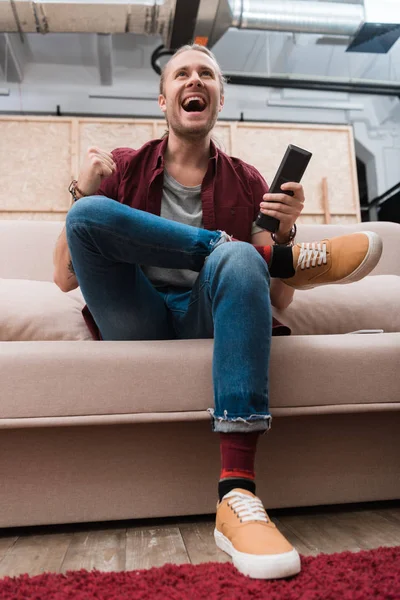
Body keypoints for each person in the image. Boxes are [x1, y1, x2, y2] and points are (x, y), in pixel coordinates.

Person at [53, 43, 382, 580]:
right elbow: (66, 277)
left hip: (206, 313)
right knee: (89, 215)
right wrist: (79, 189)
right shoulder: (125, 168)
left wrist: (284, 230)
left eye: (206, 73)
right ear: (164, 100)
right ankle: (255, 252)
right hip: (135, 315)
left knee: (237, 258)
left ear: (219, 98)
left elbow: (277, 300)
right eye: (181, 73)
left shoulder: (249, 182)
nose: (194, 80)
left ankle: (236, 497)